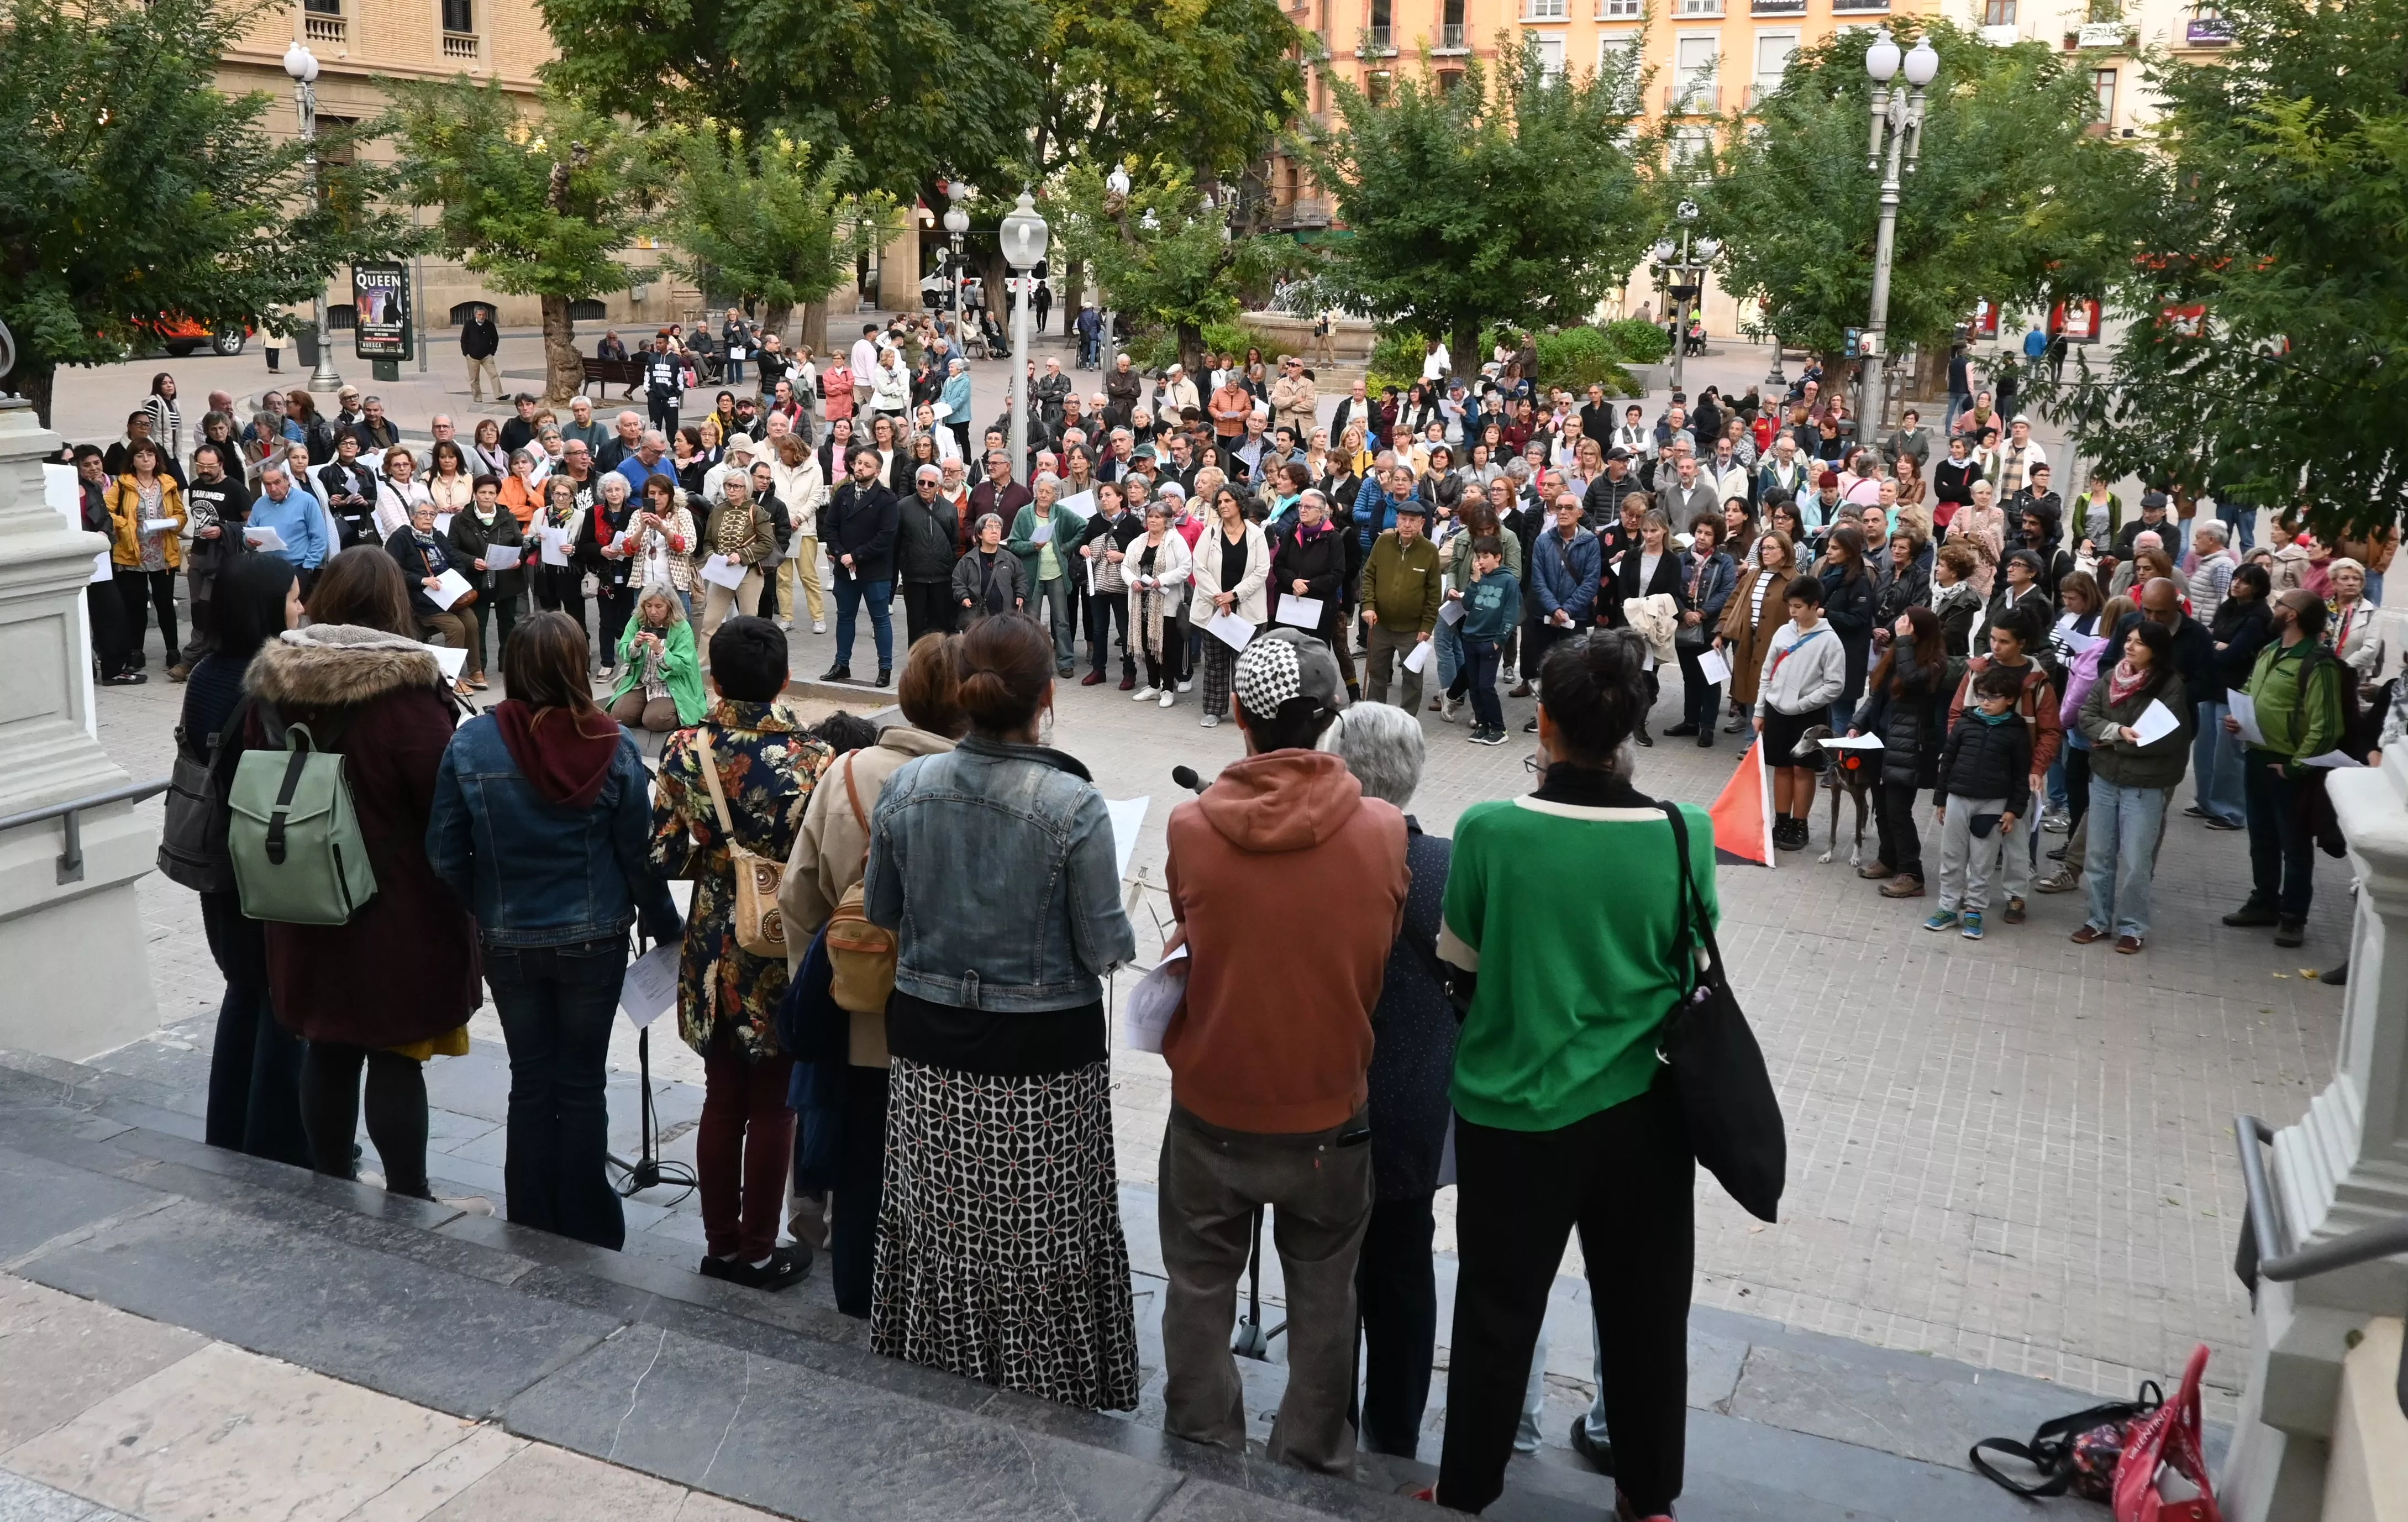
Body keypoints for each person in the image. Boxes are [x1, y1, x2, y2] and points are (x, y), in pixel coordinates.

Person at [1428, 631, 1709, 1520]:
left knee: (1496, 1306)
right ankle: (1646, 1494)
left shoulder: (1489, 828)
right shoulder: (1682, 832)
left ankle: (1467, 1487)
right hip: (1644, 1115)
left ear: (1542, 722)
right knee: (1645, 1311)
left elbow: (1459, 969)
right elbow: (1692, 967)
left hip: (1513, 1110)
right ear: (1629, 726)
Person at [863, 615, 1141, 1407]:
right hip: (1042, 1049)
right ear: (1045, 698)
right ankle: (1044, 1375)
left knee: (941, 1222)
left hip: (927, 1033)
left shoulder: (907, 787)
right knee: (1041, 1235)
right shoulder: (1072, 802)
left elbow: (882, 909)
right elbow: (1103, 948)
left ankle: (941, 1359)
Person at [1159, 628, 1405, 1473]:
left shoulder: (1192, 826)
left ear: (1236, 712)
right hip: (1329, 1108)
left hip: (1212, 1102)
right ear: (1333, 716)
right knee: (1327, 1291)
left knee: (1197, 1281)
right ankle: (1311, 1447)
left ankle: (1200, 1431)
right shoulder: (1382, 831)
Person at [427, 612, 679, 1248]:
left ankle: (532, 1214)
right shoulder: (611, 745)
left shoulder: (472, 743)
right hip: (592, 940)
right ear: (573, 668)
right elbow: (638, 856)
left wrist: (481, 908)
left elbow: (444, 853)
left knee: (531, 1078)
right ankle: (588, 1219)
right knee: (581, 1081)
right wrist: (664, 925)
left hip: (508, 939)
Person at [239, 548, 480, 1200]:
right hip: (393, 905)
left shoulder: (272, 682)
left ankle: (331, 1180)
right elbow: (443, 799)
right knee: (395, 1051)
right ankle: (408, 1194)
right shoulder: (406, 696)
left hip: (303, 895)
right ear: (393, 607)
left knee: (328, 1043)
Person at [772, 634, 967, 1313]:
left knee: (860, 1167)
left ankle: (859, 1294)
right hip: (953, 1027)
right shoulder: (982, 782)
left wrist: (830, 981)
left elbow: (798, 898)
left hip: (859, 1018)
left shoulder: (848, 770)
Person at [650, 617, 833, 1288]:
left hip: (712, 943)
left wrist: (721, 854)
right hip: (783, 944)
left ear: (716, 680)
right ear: (785, 677)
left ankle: (721, 1246)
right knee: (776, 1104)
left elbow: (666, 854)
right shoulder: (817, 759)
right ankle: (761, 1250)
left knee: (721, 1099)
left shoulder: (683, 749)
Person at [1306, 703, 1454, 1458]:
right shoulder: (1447, 865)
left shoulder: (1317, 857)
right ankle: (1394, 1434)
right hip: (1415, 1108)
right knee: (1403, 1265)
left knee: (1326, 1269)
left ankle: (1326, 1426)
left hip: (1327, 1099)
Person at [181, 553, 311, 1167]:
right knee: (282, 1000)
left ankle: (230, 1132)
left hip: (217, 859)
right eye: (292, 598)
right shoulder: (273, 679)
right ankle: (278, 1146)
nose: (302, 607)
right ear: (264, 607)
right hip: (268, 860)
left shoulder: (206, 672)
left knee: (244, 991)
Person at [2222, 590, 2347, 948]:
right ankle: (2264, 901)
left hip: (2288, 767)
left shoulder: (2318, 662)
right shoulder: (2271, 650)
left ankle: (2293, 916)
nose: (2274, 609)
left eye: (2280, 605)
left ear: (2292, 615)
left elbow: (2327, 726)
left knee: (2294, 844)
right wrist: (2237, 718)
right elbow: (2249, 689)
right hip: (2258, 756)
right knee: (2261, 837)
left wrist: (2295, 767)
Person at [2067, 620, 2190, 954]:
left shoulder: (2171, 686)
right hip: (2106, 778)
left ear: (2157, 651)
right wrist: (2117, 733)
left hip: (2145, 786)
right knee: (2098, 855)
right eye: (2129, 641)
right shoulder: (2110, 678)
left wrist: (2111, 741)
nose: (2129, 647)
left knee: (2137, 860)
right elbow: (2087, 716)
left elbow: (2166, 738)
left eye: (2138, 643)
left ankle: (2133, 927)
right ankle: (2097, 921)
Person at [1925, 663, 2036, 941]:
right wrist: (1941, 800)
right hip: (1957, 799)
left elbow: (2021, 775)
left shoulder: (2016, 732)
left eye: (1993, 697)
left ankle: (1974, 910)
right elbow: (1947, 762)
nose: (1985, 703)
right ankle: (1948, 907)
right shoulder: (1965, 723)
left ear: (2010, 700)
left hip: (1993, 805)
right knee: (1951, 857)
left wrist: (2013, 810)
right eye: (1982, 696)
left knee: (1983, 861)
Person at [1851, 606, 1950, 896]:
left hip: (1908, 746)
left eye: (1906, 622)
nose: (1899, 624)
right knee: (1882, 807)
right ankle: (1888, 857)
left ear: (1918, 630)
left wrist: (1904, 643)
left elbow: (1911, 681)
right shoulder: (1897, 654)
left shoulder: (1935, 664)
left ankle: (1912, 873)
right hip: (1880, 740)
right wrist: (1858, 722)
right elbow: (1878, 695)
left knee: (1898, 810)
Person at [1755, 575, 1847, 852]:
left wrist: (1802, 704)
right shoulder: (1784, 632)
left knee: (1803, 769)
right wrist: (1760, 710)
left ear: (1814, 606)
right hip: (1777, 711)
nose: (1792, 612)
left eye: (1797, 607)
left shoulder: (1830, 642)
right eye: (1790, 606)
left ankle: (1800, 824)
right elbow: (1767, 672)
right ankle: (1781, 821)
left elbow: (1835, 686)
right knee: (1781, 766)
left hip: (1808, 716)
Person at [2194, 563, 2273, 830]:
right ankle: (2206, 801)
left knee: (2227, 754)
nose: (2236, 584)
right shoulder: (2227, 608)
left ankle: (2230, 811)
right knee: (2205, 749)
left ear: (2258, 588)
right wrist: (2215, 645)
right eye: (2236, 578)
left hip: (2236, 690)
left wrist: (2214, 645)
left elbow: (2232, 655)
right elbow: (2209, 642)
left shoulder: (2257, 618)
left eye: (2245, 581)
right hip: (2212, 686)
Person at [1189, 486, 1273, 728]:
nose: (1223, 505)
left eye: (1228, 501)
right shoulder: (1210, 533)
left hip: (1246, 609)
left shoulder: (1256, 535)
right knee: (1215, 663)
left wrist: (1234, 595)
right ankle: (1214, 710)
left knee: (1245, 664)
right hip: (1214, 607)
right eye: (1220, 501)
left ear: (1240, 503)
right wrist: (1219, 597)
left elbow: (1261, 572)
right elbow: (1200, 567)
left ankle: (1245, 712)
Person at [821, 447, 901, 685]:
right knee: (845, 617)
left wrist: (856, 556)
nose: (859, 468)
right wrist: (841, 553)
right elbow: (830, 527)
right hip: (846, 571)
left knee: (880, 619)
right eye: (858, 463)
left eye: (866, 465)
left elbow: (886, 536)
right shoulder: (843, 492)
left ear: (877, 471)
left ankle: (885, 668)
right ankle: (841, 664)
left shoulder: (887, 499)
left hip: (875, 571)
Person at [106, 439, 186, 674]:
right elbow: (106, 510)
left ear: (157, 459)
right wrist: (124, 524)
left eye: (150, 455)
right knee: (136, 606)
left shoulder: (167, 483)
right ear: (132, 460)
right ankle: (136, 652)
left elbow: (181, 514)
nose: (146, 460)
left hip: (163, 552)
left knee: (165, 604)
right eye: (140, 455)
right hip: (133, 553)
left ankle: (173, 651)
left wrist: (174, 523)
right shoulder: (123, 484)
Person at [1359, 499, 1442, 715]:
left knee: (1412, 677)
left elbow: (1434, 592)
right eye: (1403, 519)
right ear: (1396, 520)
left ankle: (1407, 719)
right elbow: (1369, 575)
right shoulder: (1383, 543)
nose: (1407, 525)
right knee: (1376, 674)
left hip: (1413, 630)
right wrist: (1368, 605)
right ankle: (1374, 716)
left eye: (1413, 521)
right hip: (1380, 625)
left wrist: (1427, 626)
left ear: (1422, 524)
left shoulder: (1430, 551)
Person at [448, 474, 525, 691]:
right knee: (477, 625)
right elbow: (452, 549)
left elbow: (520, 542)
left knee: (508, 623)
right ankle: (478, 669)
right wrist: (472, 561)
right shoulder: (461, 519)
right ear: (475, 493)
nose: (487, 497)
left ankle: (509, 665)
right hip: (476, 580)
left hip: (506, 578)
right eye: (483, 492)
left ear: (497, 495)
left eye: (492, 493)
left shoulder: (507, 516)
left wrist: (518, 559)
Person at [607, 584, 707, 731]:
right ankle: (646, 707)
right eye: (648, 606)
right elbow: (623, 651)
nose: (653, 611)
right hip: (641, 681)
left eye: (659, 607)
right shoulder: (637, 621)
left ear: (670, 606)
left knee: (655, 720)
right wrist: (635, 645)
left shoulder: (681, 627)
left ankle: (677, 712)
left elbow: (683, 665)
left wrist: (660, 651)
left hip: (670, 684)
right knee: (620, 715)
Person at [1126, 501, 1194, 705]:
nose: (1153, 521)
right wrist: (1133, 581)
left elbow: (1186, 568)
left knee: (1165, 646)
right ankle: (1153, 685)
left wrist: (1162, 580)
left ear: (1167, 521)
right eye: (1150, 516)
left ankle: (1167, 689)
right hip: (1142, 602)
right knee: (1148, 644)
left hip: (1166, 602)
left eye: (1158, 517)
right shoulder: (1139, 540)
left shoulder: (1175, 540)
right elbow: (1126, 566)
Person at [460, 305, 502, 403]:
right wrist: (466, 353)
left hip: (487, 356)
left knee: (494, 374)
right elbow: (463, 340)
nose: (482, 317)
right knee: (474, 379)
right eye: (480, 315)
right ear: (475, 315)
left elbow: (495, 339)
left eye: (483, 314)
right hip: (472, 356)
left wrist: (492, 352)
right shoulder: (469, 325)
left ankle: (499, 395)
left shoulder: (490, 325)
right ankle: (478, 398)